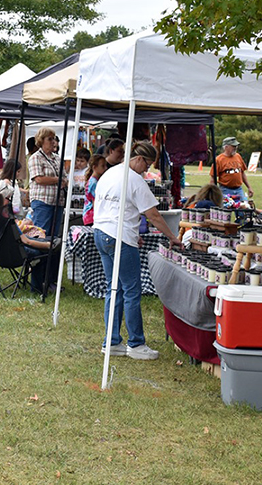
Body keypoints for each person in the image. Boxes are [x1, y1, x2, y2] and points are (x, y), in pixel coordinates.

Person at [93, 141, 184, 360]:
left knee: (113, 289)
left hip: (102, 233)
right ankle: (136, 343)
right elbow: (153, 215)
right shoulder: (135, 181)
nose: (148, 170)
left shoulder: (109, 173)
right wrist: (172, 236)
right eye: (148, 164)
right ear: (139, 159)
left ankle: (112, 341)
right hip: (119, 237)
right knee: (132, 291)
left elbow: (113, 207)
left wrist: (132, 234)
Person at [0, 193, 59, 293]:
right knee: (42, 252)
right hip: (14, 255)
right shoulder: (8, 221)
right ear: (2, 205)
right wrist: (48, 246)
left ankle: (49, 242)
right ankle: (37, 289)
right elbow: (27, 242)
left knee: (38, 241)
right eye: (7, 199)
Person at [28, 127, 68, 236]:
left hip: (58, 202)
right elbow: (39, 179)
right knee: (41, 234)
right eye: (49, 139)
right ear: (41, 141)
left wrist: (61, 181)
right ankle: (38, 253)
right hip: (43, 201)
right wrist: (57, 180)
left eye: (54, 139)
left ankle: (51, 253)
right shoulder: (35, 157)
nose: (53, 142)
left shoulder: (57, 158)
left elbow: (64, 178)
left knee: (54, 236)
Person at [209, 137, 253, 201]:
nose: (235, 148)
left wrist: (249, 187)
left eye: (236, 146)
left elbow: (242, 173)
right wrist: (212, 191)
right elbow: (213, 177)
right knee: (226, 208)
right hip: (225, 190)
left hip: (238, 189)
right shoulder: (219, 160)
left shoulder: (238, 156)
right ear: (226, 147)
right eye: (233, 146)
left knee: (243, 208)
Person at [82, 154, 108, 226]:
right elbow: (95, 201)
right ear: (94, 167)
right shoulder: (94, 183)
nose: (105, 168)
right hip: (91, 215)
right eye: (103, 166)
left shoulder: (95, 180)